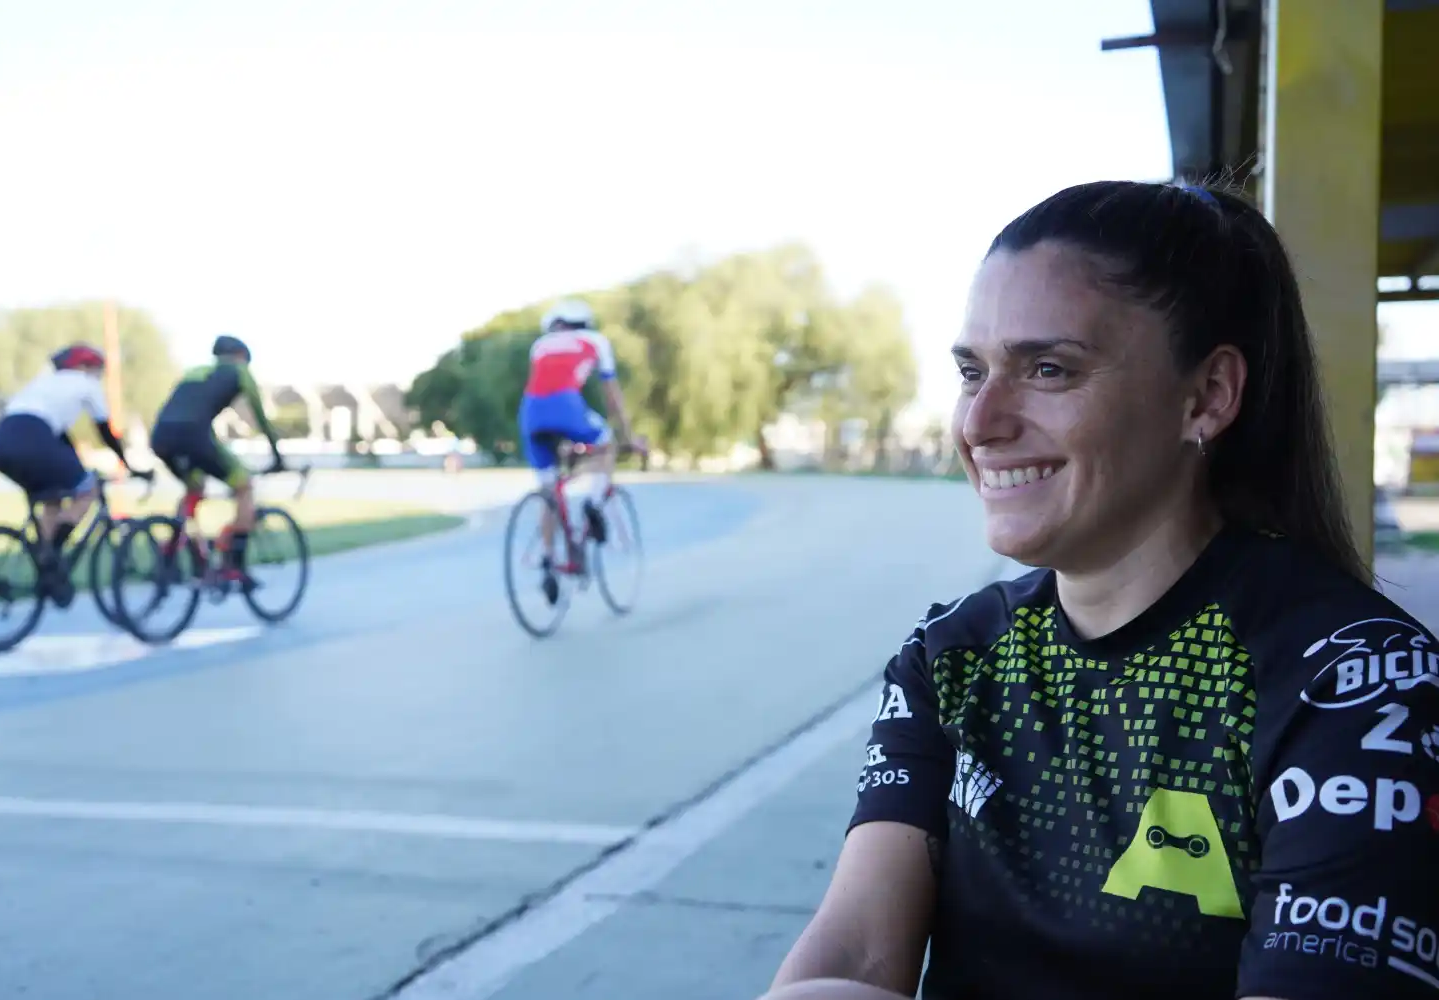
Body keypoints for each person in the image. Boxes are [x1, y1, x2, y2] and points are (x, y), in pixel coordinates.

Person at [763, 181, 1439, 1000]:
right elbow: (853, 959)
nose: (979, 423)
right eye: (972, 371)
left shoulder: (1358, 682)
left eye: (1047, 369)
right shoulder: (955, 658)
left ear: (1207, 397)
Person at [0, 343, 148, 605]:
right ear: (86, 367)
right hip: (34, 437)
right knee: (88, 489)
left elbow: (62, 440)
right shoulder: (85, 384)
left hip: (1, 443)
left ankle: (46, 566)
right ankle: (53, 552)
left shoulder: (44, 385)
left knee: (52, 498)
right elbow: (105, 430)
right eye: (98, 371)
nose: (98, 376)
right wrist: (127, 463)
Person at [517, 298, 644, 599]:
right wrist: (629, 436)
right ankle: (594, 500)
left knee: (548, 491)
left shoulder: (540, 345)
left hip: (530, 413)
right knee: (607, 442)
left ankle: (549, 559)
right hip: (567, 406)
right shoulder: (596, 341)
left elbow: (543, 387)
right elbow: (611, 394)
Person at [150, 334, 285, 582]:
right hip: (193, 436)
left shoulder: (193, 372)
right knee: (244, 487)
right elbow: (261, 420)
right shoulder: (240, 372)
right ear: (241, 357)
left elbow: (185, 409)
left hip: (161, 436)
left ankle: (176, 555)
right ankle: (234, 563)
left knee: (194, 488)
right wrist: (278, 457)